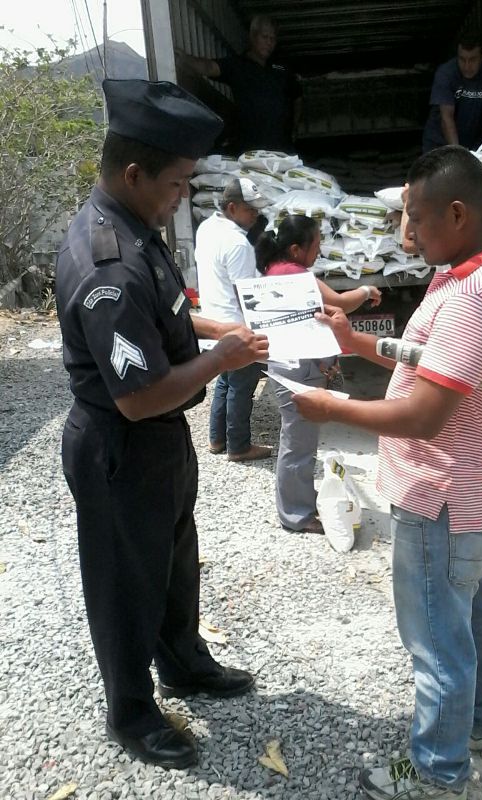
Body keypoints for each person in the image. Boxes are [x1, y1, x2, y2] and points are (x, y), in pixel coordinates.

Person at [293, 146, 482, 799]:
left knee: (436, 642)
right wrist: (358, 342)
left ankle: (435, 769)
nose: (409, 233)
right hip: (473, 491)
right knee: (473, 614)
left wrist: (331, 407)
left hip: (441, 495)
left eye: (417, 219)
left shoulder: (476, 296)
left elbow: (424, 415)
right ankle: (474, 726)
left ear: (456, 213)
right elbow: (429, 356)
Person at [55, 78, 269, 770]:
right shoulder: (107, 265)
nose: (182, 196)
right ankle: (132, 714)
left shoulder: (138, 231)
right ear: (133, 173)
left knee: (173, 559)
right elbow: (139, 396)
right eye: (175, 183)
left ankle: (183, 662)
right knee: (125, 581)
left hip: (160, 441)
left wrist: (218, 330)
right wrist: (223, 360)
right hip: (122, 444)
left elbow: (167, 315)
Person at [255, 215, 381, 534]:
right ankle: (296, 515)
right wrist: (366, 289)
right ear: (296, 249)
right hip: (297, 368)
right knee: (298, 442)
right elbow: (340, 303)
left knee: (297, 439)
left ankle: (299, 503)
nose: (319, 251)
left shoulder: (274, 270)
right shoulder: (296, 275)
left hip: (288, 364)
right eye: (316, 245)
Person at [195, 177, 272, 461]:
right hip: (237, 325)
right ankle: (239, 446)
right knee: (242, 386)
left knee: (225, 381)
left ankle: (217, 440)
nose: (255, 215)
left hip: (213, 322)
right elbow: (246, 295)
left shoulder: (206, 228)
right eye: (250, 209)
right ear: (232, 207)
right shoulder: (238, 243)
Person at [178, 15, 301, 154]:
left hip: (282, 149)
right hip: (249, 150)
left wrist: (295, 127)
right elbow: (209, 67)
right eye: (265, 37)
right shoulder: (237, 66)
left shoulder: (282, 69)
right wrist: (185, 59)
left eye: (273, 39)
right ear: (253, 36)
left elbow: (297, 97)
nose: (269, 43)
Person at [423, 32, 482, 153]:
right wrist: (459, 155)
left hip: (472, 141)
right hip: (439, 143)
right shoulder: (445, 74)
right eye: (462, 59)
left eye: (472, 60)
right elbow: (446, 117)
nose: (467, 66)